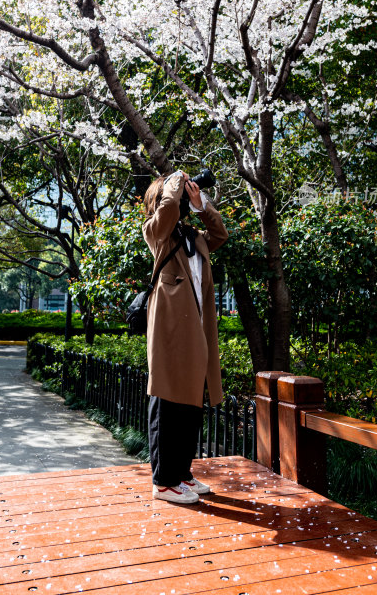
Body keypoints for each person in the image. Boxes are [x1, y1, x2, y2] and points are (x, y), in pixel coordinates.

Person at [142, 170, 228, 504]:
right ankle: (163, 481)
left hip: (197, 325)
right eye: (174, 194)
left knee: (191, 400)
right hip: (169, 325)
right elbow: (164, 217)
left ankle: (181, 473)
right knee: (166, 397)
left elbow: (220, 233)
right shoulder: (156, 232)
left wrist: (200, 202)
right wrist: (173, 180)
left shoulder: (193, 235)